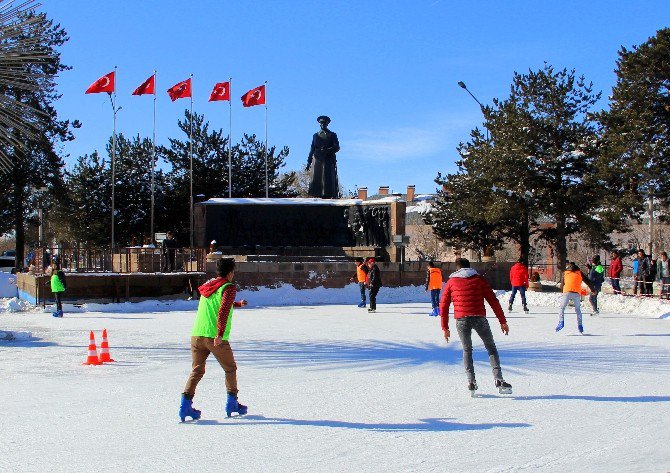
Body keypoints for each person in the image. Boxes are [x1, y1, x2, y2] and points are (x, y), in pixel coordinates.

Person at [179, 258, 249, 422]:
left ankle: (185, 407)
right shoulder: (228, 287)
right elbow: (223, 309)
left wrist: (237, 304)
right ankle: (232, 404)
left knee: (197, 371)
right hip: (214, 337)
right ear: (230, 273)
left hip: (197, 335)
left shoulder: (209, 286)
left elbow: (218, 304)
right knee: (230, 368)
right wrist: (219, 334)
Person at [439, 258, 512, 396]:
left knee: (467, 350)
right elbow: (493, 301)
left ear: (457, 268)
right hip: (479, 317)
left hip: (461, 320)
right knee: (491, 347)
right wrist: (502, 321)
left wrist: (445, 328)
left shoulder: (451, 282)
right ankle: (498, 378)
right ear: (469, 267)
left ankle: (471, 381)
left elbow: (443, 305)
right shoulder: (479, 279)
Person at [306, 115, 340, 199]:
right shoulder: (315, 136)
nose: (322, 125)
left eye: (324, 123)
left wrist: (328, 150)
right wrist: (308, 162)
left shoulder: (332, 135)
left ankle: (328, 195)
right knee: (316, 179)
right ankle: (316, 195)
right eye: (321, 123)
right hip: (317, 160)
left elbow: (337, 147)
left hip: (328, 159)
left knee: (327, 178)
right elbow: (312, 148)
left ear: (327, 124)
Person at [557, 262, 593, 334]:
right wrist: (593, 290)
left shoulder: (566, 273)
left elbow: (561, 285)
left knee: (562, 308)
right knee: (578, 309)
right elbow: (588, 281)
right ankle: (580, 325)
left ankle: (561, 322)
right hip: (576, 292)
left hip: (567, 291)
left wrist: (562, 291)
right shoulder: (579, 273)